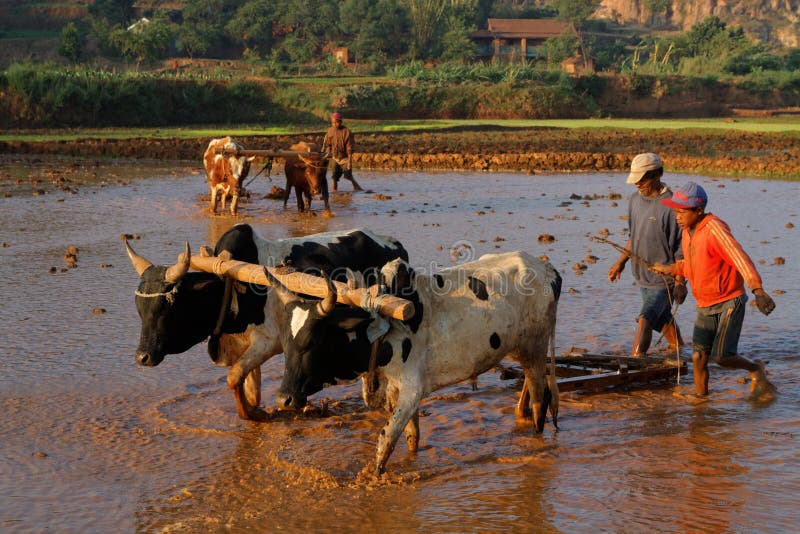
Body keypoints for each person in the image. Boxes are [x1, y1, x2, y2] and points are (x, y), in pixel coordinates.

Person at [652, 182, 777, 399]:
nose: (677, 217)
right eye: (675, 212)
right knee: (699, 356)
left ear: (698, 211)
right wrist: (675, 276)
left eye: (682, 212)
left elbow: (739, 257)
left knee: (722, 357)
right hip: (705, 304)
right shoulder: (687, 232)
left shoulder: (714, 229)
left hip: (729, 300)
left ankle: (756, 369)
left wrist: (757, 289)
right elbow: (690, 263)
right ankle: (702, 402)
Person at [608, 153, 685, 357]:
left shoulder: (672, 205)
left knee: (646, 319)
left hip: (664, 279)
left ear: (658, 174)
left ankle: (636, 360)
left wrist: (680, 282)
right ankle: (679, 350)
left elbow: (681, 250)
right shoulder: (634, 200)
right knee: (661, 318)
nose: (638, 184)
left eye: (643, 179)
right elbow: (634, 236)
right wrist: (620, 262)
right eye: (637, 180)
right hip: (642, 275)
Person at [321, 112, 362, 192]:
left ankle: (358, 188)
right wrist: (327, 152)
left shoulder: (347, 132)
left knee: (348, 176)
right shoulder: (330, 131)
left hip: (345, 158)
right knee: (334, 177)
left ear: (340, 122)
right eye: (333, 122)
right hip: (335, 158)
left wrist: (349, 162)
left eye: (336, 122)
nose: (334, 124)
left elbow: (349, 149)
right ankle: (334, 192)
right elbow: (329, 144)